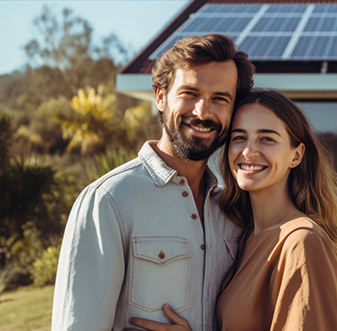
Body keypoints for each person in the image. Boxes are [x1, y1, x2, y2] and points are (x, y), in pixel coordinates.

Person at [51, 34, 255, 331]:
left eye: (220, 99)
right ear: (160, 97)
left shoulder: (232, 211)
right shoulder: (109, 200)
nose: (203, 112)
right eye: (190, 93)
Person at [127, 89, 337, 331]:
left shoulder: (301, 242)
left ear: (296, 155)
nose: (249, 151)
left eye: (267, 139)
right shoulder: (245, 236)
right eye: (239, 137)